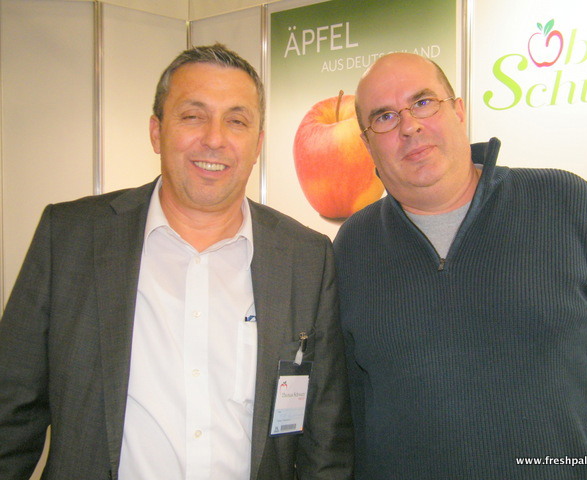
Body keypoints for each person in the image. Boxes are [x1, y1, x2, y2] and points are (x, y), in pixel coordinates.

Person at [0, 44, 353, 480]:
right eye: (192, 116)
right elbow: (11, 413)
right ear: (156, 131)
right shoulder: (71, 237)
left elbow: (325, 438)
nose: (215, 138)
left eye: (237, 121)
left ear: (258, 144)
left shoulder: (306, 257)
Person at [333, 52, 587, 480]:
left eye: (423, 102)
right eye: (384, 117)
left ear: (459, 111)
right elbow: (346, 407)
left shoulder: (570, 206)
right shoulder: (352, 247)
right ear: (367, 144)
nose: (409, 126)